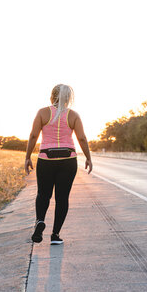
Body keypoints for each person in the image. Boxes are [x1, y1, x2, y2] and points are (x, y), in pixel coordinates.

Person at [25, 84, 93, 245]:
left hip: (46, 159)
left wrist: (27, 157)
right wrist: (88, 158)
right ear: (68, 98)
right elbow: (82, 138)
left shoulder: (42, 113)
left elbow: (34, 135)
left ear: (51, 96)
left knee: (43, 194)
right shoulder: (73, 115)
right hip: (68, 160)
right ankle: (55, 235)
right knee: (62, 198)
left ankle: (40, 221)